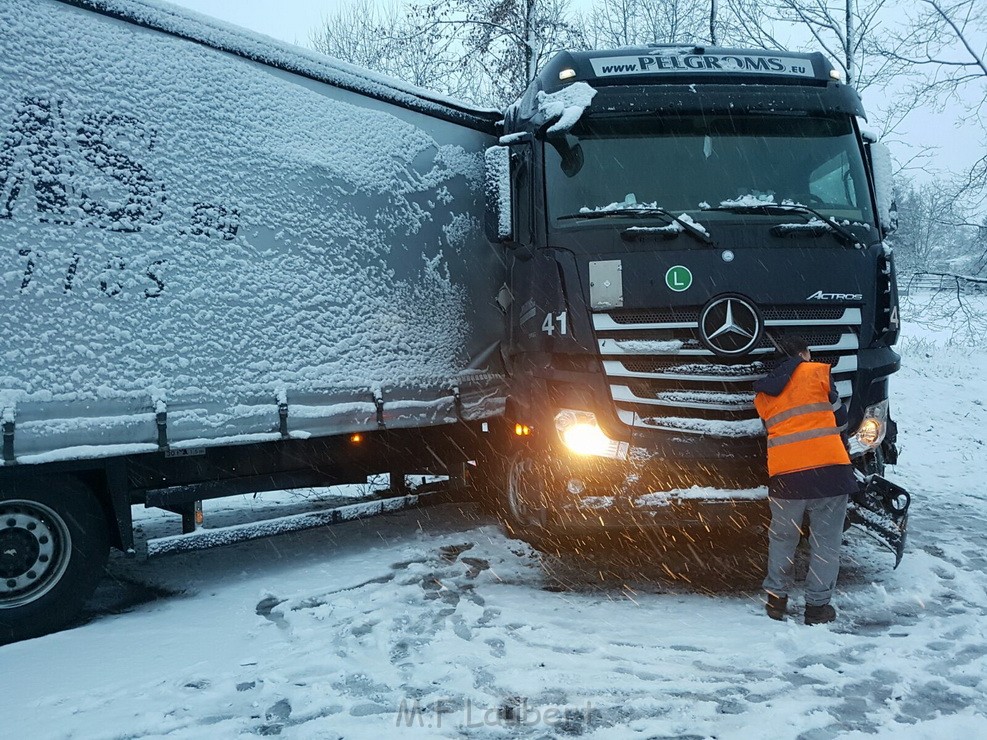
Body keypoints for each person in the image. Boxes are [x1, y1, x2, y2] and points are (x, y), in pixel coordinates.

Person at [753, 336, 856, 625]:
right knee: (825, 542)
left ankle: (776, 600)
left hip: (786, 475)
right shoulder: (817, 372)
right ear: (802, 353)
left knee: (783, 538)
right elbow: (840, 420)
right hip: (829, 472)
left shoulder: (762, 394)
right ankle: (817, 607)